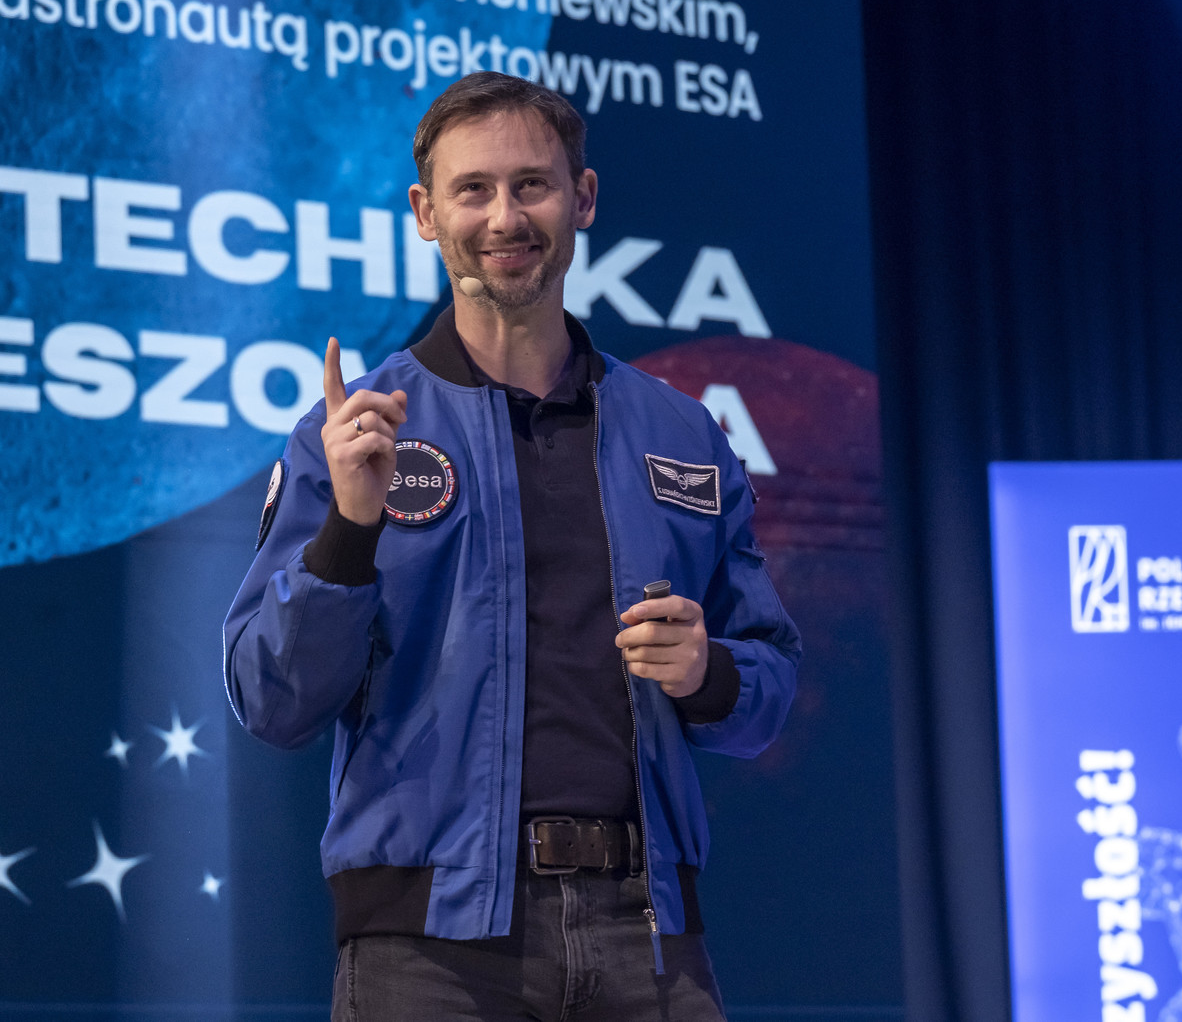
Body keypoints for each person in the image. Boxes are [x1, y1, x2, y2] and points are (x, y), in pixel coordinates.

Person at [222, 71, 800, 1021]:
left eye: (532, 184)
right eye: (473, 189)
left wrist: (708, 672)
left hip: (650, 938)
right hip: (430, 951)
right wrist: (350, 530)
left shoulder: (684, 434)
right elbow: (270, 701)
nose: (504, 216)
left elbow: (768, 685)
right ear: (426, 213)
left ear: (583, 197)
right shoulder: (354, 434)